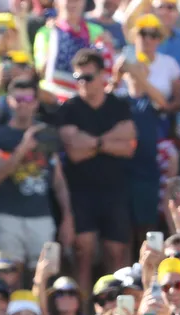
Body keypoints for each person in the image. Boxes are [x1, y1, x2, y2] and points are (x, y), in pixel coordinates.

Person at [58, 48, 137, 288]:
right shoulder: (69, 109)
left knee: (116, 252)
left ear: (103, 76)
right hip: (81, 193)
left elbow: (129, 146)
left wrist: (91, 142)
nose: (83, 83)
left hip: (115, 190)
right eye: (78, 78)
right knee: (84, 254)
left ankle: (118, 307)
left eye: (88, 77)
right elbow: (73, 150)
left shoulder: (119, 106)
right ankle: (83, 314)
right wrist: (108, 141)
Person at [0, 77, 72, 269]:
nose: (22, 105)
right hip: (8, 216)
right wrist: (23, 147)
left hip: (42, 216)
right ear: (9, 101)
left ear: (35, 102)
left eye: (27, 100)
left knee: (45, 274)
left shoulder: (47, 134)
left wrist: (68, 218)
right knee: (9, 276)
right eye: (18, 100)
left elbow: (58, 181)